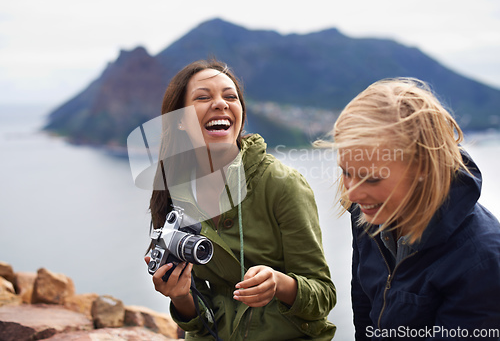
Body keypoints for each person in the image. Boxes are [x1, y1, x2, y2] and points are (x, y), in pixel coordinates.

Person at [144, 59, 336, 340]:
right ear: (180, 121)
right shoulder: (176, 190)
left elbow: (324, 296)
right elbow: (199, 318)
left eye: (230, 96)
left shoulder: (282, 184)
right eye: (203, 97)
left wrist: (279, 284)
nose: (221, 103)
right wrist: (180, 297)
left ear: (241, 115)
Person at [315, 78, 500, 340]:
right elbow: (365, 309)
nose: (352, 194)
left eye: (372, 178)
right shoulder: (369, 213)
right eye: (347, 172)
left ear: (423, 170)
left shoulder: (482, 261)